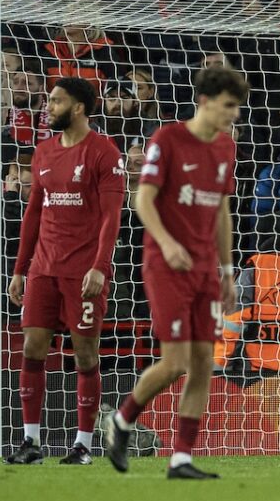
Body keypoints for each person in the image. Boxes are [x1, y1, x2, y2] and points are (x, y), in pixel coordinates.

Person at [105, 66, 248, 480]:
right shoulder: (166, 139)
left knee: (204, 362)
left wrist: (226, 269)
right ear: (204, 102)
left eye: (237, 108)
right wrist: (168, 243)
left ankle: (181, 458)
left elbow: (221, 210)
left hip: (205, 267)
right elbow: (142, 200)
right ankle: (123, 419)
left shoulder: (225, 148)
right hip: (166, 265)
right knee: (175, 362)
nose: (233, 115)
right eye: (227, 106)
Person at [4, 77, 126, 466]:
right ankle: (30, 443)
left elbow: (111, 219)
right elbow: (33, 215)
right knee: (33, 349)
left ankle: (84, 445)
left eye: (55, 101)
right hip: (43, 269)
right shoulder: (42, 152)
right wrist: (20, 270)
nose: (48, 107)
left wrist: (99, 268)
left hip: (83, 272)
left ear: (77, 107)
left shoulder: (104, 153)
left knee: (85, 357)